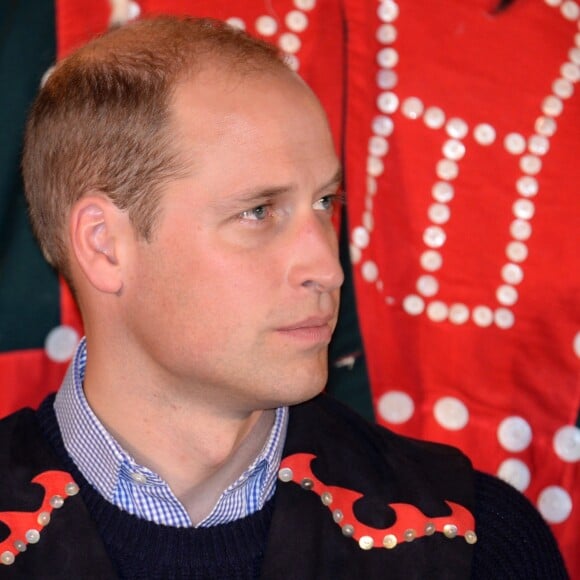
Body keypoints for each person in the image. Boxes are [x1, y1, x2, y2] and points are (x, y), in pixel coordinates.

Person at [0, 15, 568, 579]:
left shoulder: (472, 546)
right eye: (258, 212)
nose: (327, 267)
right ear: (104, 246)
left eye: (326, 203)